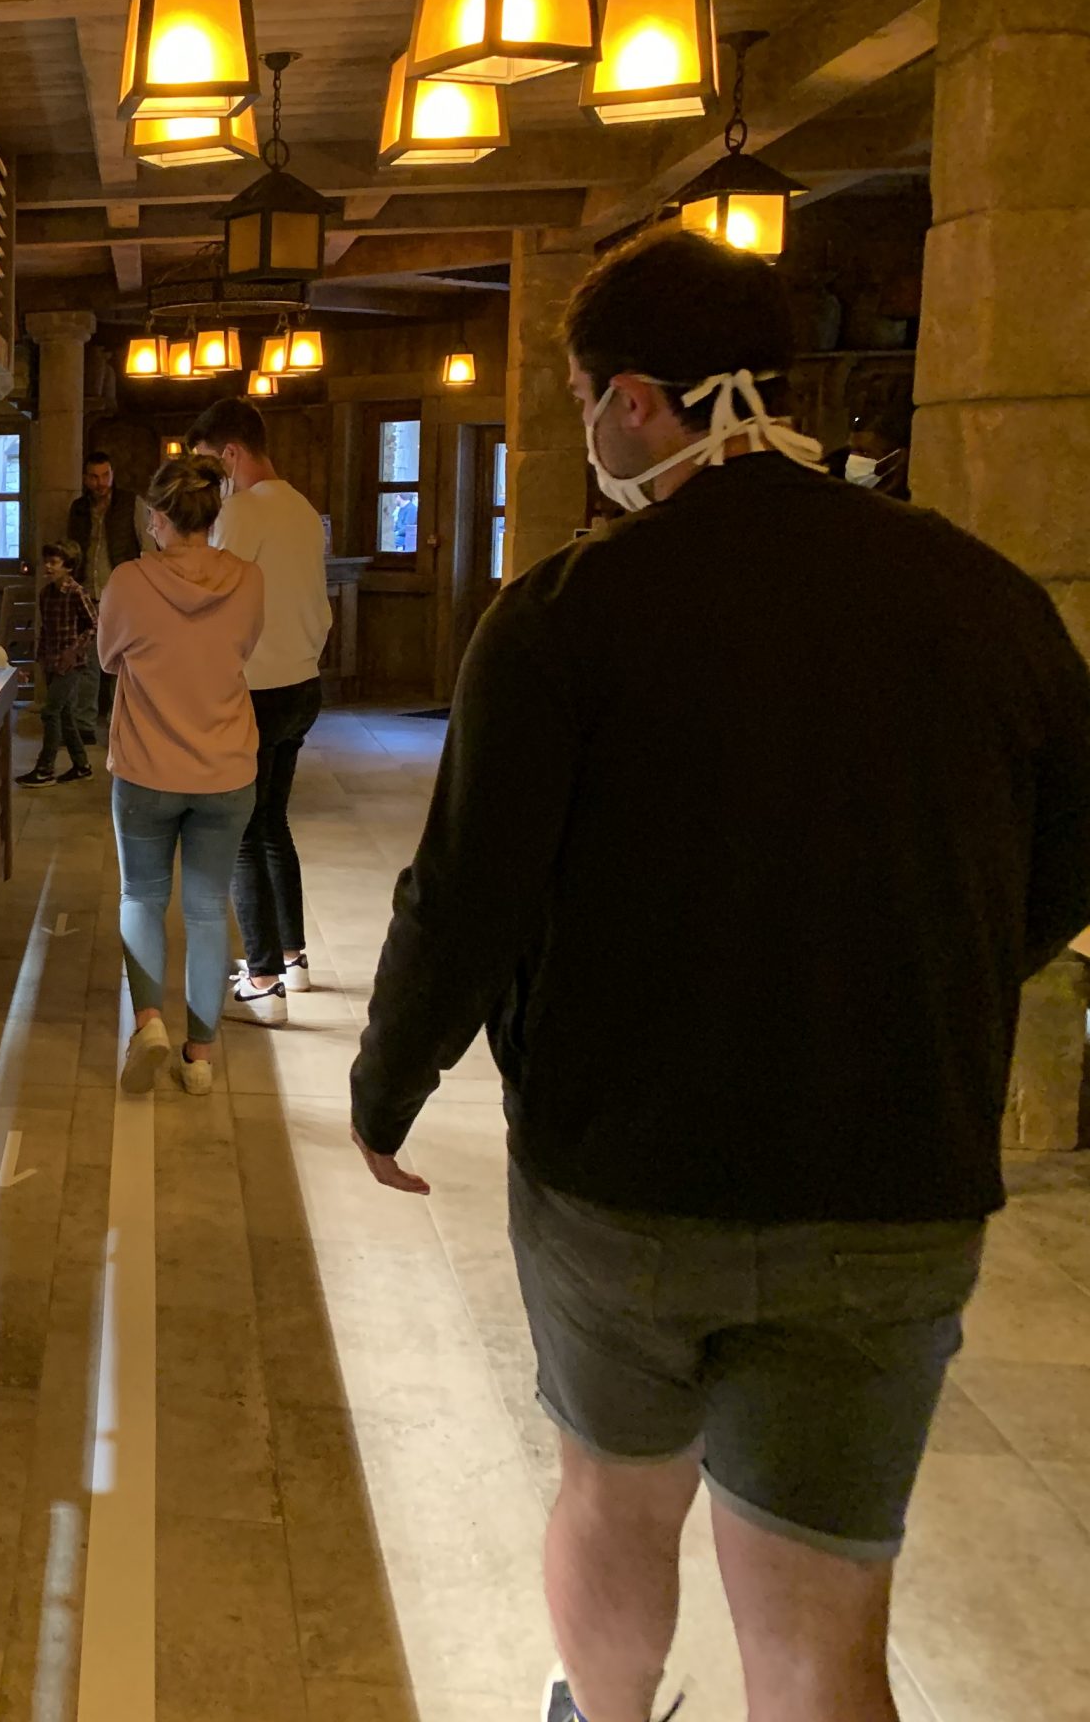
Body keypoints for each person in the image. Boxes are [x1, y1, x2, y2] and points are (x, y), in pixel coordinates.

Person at [347, 228, 1090, 1722]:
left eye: (578, 400)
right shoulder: (986, 598)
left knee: (614, 1498)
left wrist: (389, 1084)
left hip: (623, 1171)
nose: (584, 429)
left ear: (633, 401)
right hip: (891, 1176)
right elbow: (1063, 867)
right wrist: (924, 982)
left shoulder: (565, 613)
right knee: (821, 1622)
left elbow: (468, 893)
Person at [100, 456, 265, 1098]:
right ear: (211, 516)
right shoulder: (248, 579)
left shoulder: (129, 580)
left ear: (158, 517)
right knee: (206, 909)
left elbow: (108, 658)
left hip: (146, 768)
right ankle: (199, 1057)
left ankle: (149, 1024)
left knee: (142, 897)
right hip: (226, 769)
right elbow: (243, 649)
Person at [191, 399, 333, 1026]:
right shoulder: (300, 507)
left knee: (241, 834)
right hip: (302, 683)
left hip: (255, 689)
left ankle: (264, 980)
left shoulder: (243, 511)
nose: (208, 480)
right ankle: (293, 959)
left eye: (208, 464)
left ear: (231, 454)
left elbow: (208, 592)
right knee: (272, 823)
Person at [19, 541, 97, 785]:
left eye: (54, 562)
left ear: (68, 566)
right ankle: (82, 765)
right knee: (65, 714)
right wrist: (41, 658)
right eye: (47, 562)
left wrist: (74, 651)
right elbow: (46, 629)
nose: (48, 567)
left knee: (50, 711)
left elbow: (94, 624)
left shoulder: (76, 592)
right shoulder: (46, 594)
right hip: (51, 660)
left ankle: (46, 768)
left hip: (72, 663)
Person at [66, 450, 141, 603]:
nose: (101, 482)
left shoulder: (131, 503)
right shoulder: (78, 508)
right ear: (85, 479)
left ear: (112, 475)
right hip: (86, 592)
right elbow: (72, 548)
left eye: (106, 475)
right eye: (94, 477)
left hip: (122, 591)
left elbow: (148, 548)